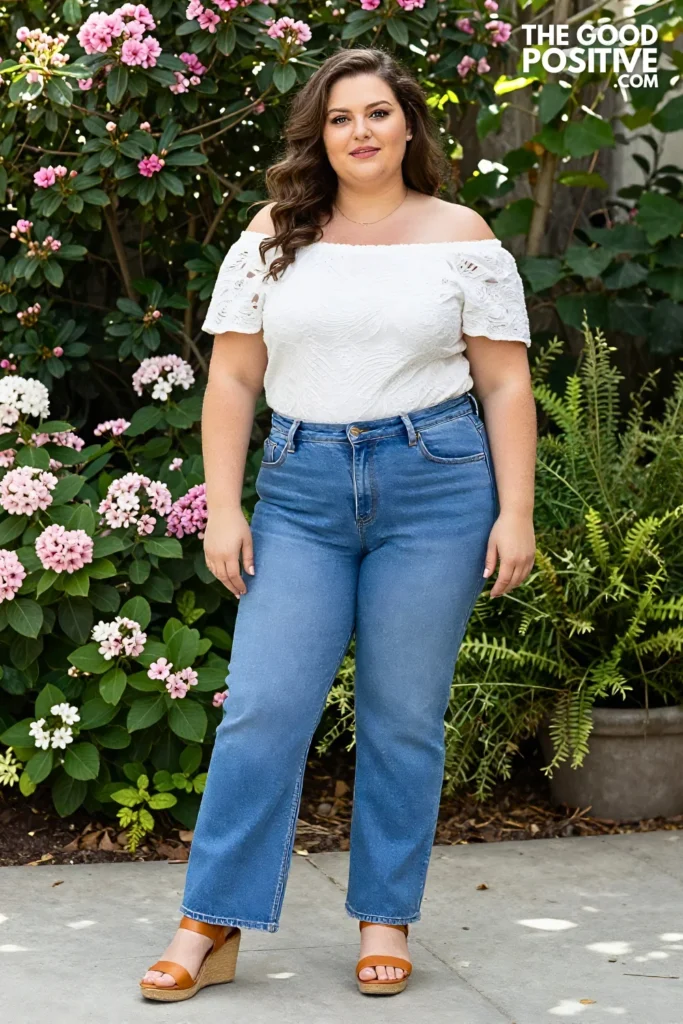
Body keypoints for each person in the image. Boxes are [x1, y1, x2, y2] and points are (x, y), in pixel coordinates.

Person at [140, 45, 536, 1003]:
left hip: (435, 487)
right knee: (264, 709)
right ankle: (210, 922)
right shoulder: (276, 232)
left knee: (403, 717)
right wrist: (224, 506)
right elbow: (233, 376)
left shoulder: (459, 233)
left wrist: (515, 511)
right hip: (303, 491)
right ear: (320, 135)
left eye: (376, 113)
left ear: (408, 125)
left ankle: (384, 917)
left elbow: (503, 379)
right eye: (339, 118)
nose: (359, 132)